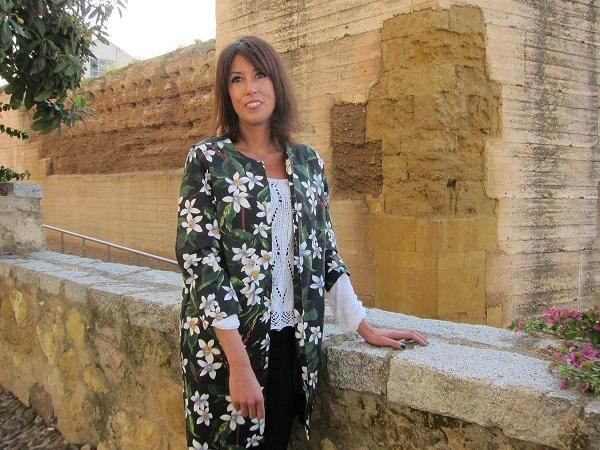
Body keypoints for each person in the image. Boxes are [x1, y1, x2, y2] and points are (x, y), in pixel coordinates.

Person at [175, 36, 428, 450]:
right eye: (237, 79)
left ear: (276, 83)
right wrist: (238, 364)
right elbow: (199, 260)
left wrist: (362, 325)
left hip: (291, 343)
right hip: (223, 348)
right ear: (227, 92)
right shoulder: (208, 159)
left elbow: (324, 251)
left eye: (259, 75)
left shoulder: (308, 162)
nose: (250, 88)